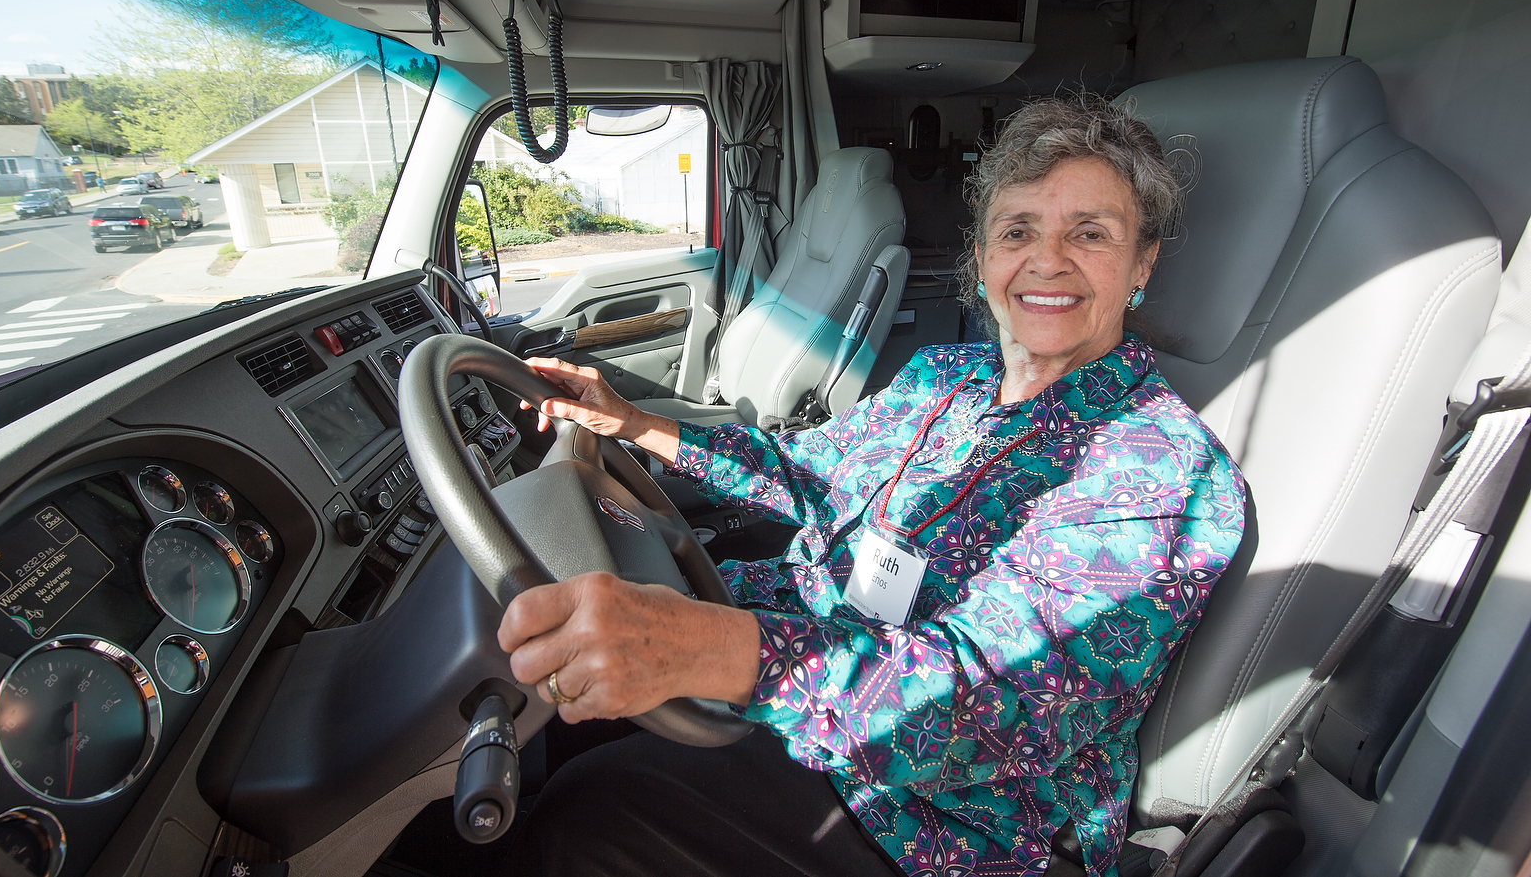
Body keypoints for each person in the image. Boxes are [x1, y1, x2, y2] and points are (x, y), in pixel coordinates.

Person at [497, 96, 1246, 877]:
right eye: (1017, 230)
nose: (1047, 261)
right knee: (547, 704)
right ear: (983, 253)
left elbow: (983, 704)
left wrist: (702, 646)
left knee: (587, 813)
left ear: (1143, 261)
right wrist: (632, 422)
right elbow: (807, 471)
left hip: (934, 820)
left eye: (1089, 233)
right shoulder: (944, 374)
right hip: (802, 673)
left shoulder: (1162, 468)